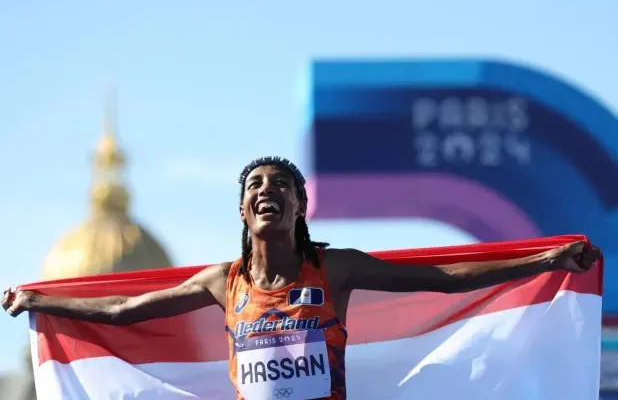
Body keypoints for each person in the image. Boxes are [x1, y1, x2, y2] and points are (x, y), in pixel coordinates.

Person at [2, 156, 602, 400]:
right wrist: (41, 301)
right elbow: (124, 311)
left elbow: (443, 277)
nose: (267, 191)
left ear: (299, 206)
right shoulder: (221, 283)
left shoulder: (334, 268)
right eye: (255, 186)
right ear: (243, 211)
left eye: (281, 185)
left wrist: (546, 263)